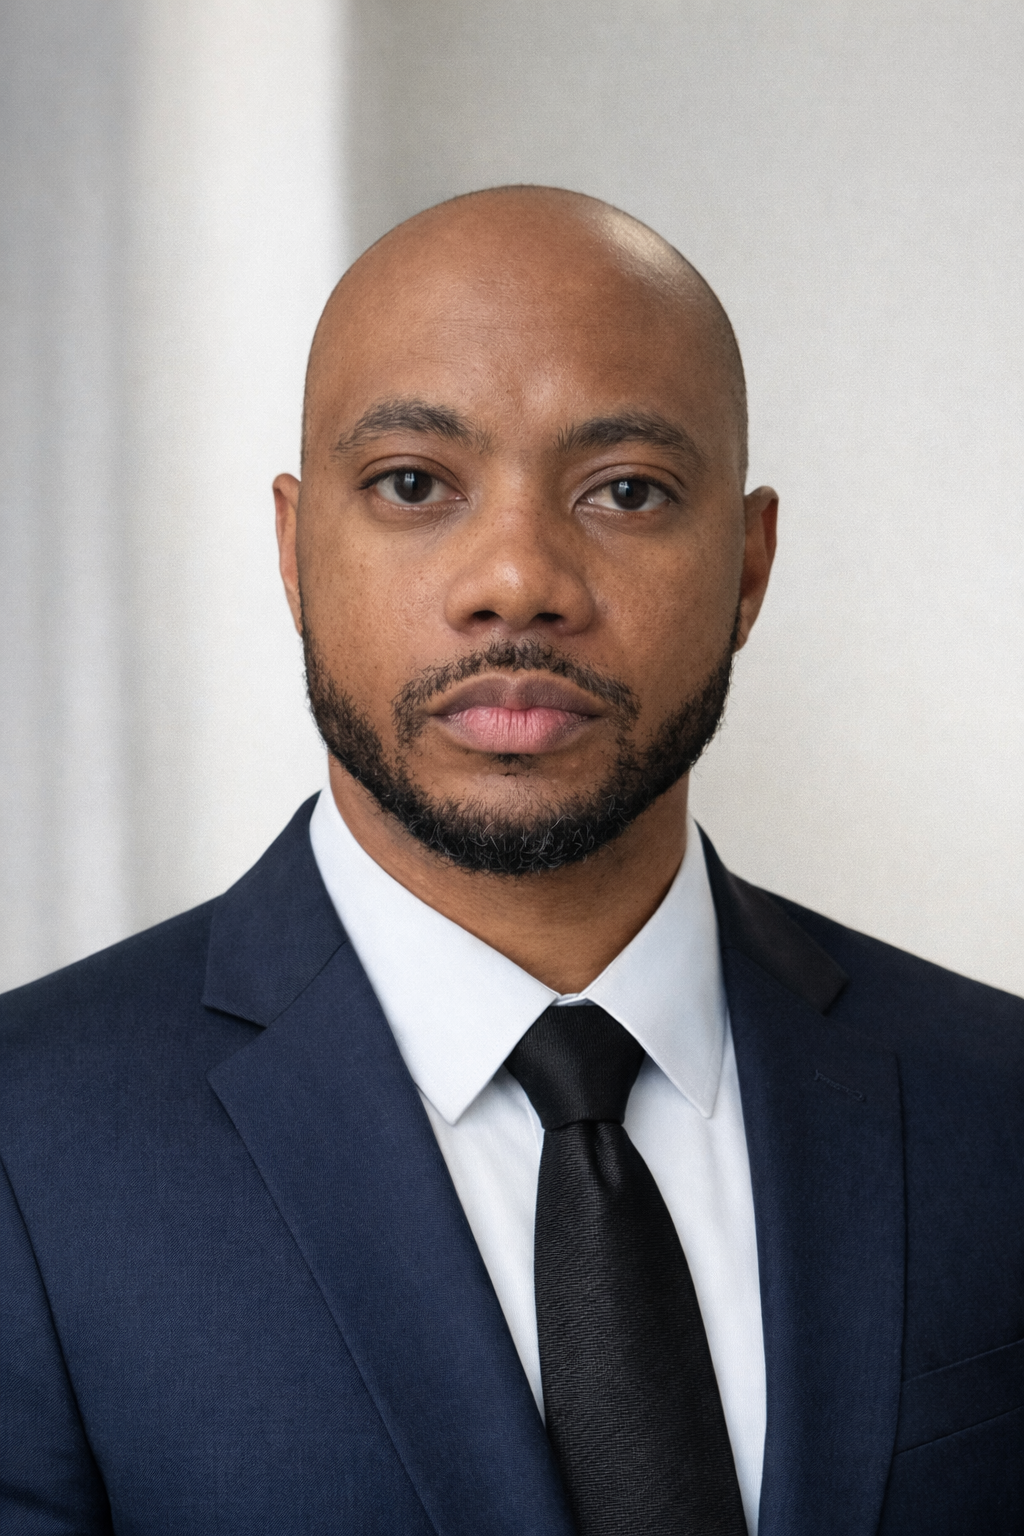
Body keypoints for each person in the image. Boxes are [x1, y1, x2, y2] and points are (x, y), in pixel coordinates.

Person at [1, 186, 1021, 1536]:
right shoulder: (29, 1143)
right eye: (414, 484)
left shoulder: (994, 1102)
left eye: (627, 490)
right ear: (296, 551)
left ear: (750, 567)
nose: (518, 577)